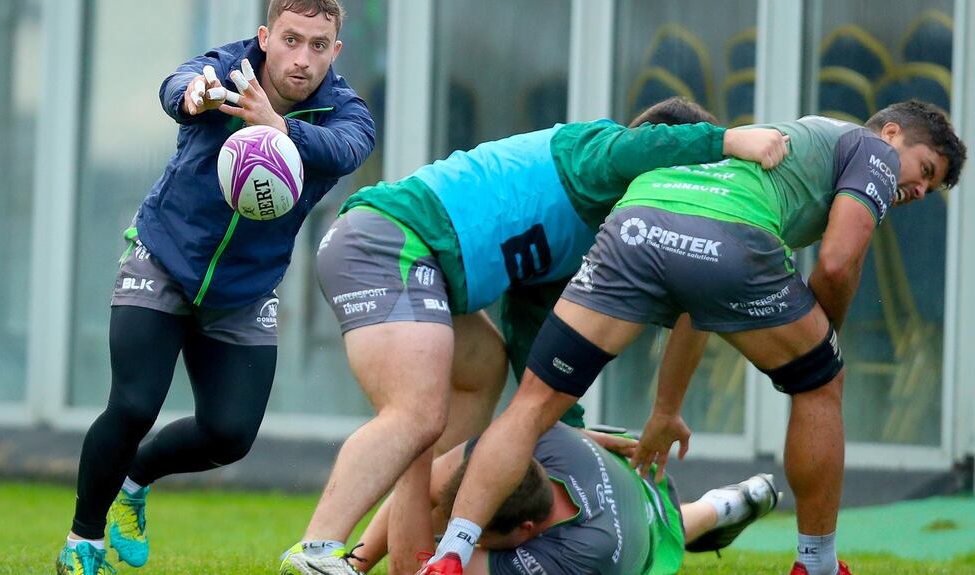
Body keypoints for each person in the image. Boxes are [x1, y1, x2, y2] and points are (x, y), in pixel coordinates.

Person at [421, 100, 966, 575]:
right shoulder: (872, 151)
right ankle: (817, 564)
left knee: (534, 404)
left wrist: (667, 408)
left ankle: (449, 553)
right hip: (728, 238)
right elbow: (838, 262)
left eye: (930, 186)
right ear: (892, 134)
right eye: (924, 169)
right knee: (822, 384)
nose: (917, 189)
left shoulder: (797, 147)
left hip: (637, 221)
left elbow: (696, 303)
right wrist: (821, 345)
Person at [278, 97, 790, 575]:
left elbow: (537, 337)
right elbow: (641, 146)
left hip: (415, 259)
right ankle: (318, 549)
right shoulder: (598, 154)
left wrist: (559, 427)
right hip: (390, 241)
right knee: (416, 416)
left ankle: (359, 561)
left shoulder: (585, 229)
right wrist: (727, 142)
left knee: (482, 374)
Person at [55, 1, 375, 574]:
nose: (303, 59)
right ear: (265, 36)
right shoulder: (228, 71)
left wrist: (278, 129)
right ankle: (84, 543)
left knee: (229, 435)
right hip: (164, 259)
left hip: (246, 291)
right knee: (132, 406)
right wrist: (191, 96)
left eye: (318, 45)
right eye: (291, 40)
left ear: (336, 50)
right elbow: (177, 84)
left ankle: (137, 479)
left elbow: (349, 149)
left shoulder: (342, 111)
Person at [350, 423, 781, 575]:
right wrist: (355, 564)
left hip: (643, 534)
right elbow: (429, 489)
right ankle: (740, 499)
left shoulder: (567, 555)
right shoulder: (528, 443)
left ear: (525, 533)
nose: (454, 529)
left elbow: (414, 570)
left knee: (680, 525)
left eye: (475, 530)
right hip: (627, 465)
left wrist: (411, 449)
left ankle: (732, 502)